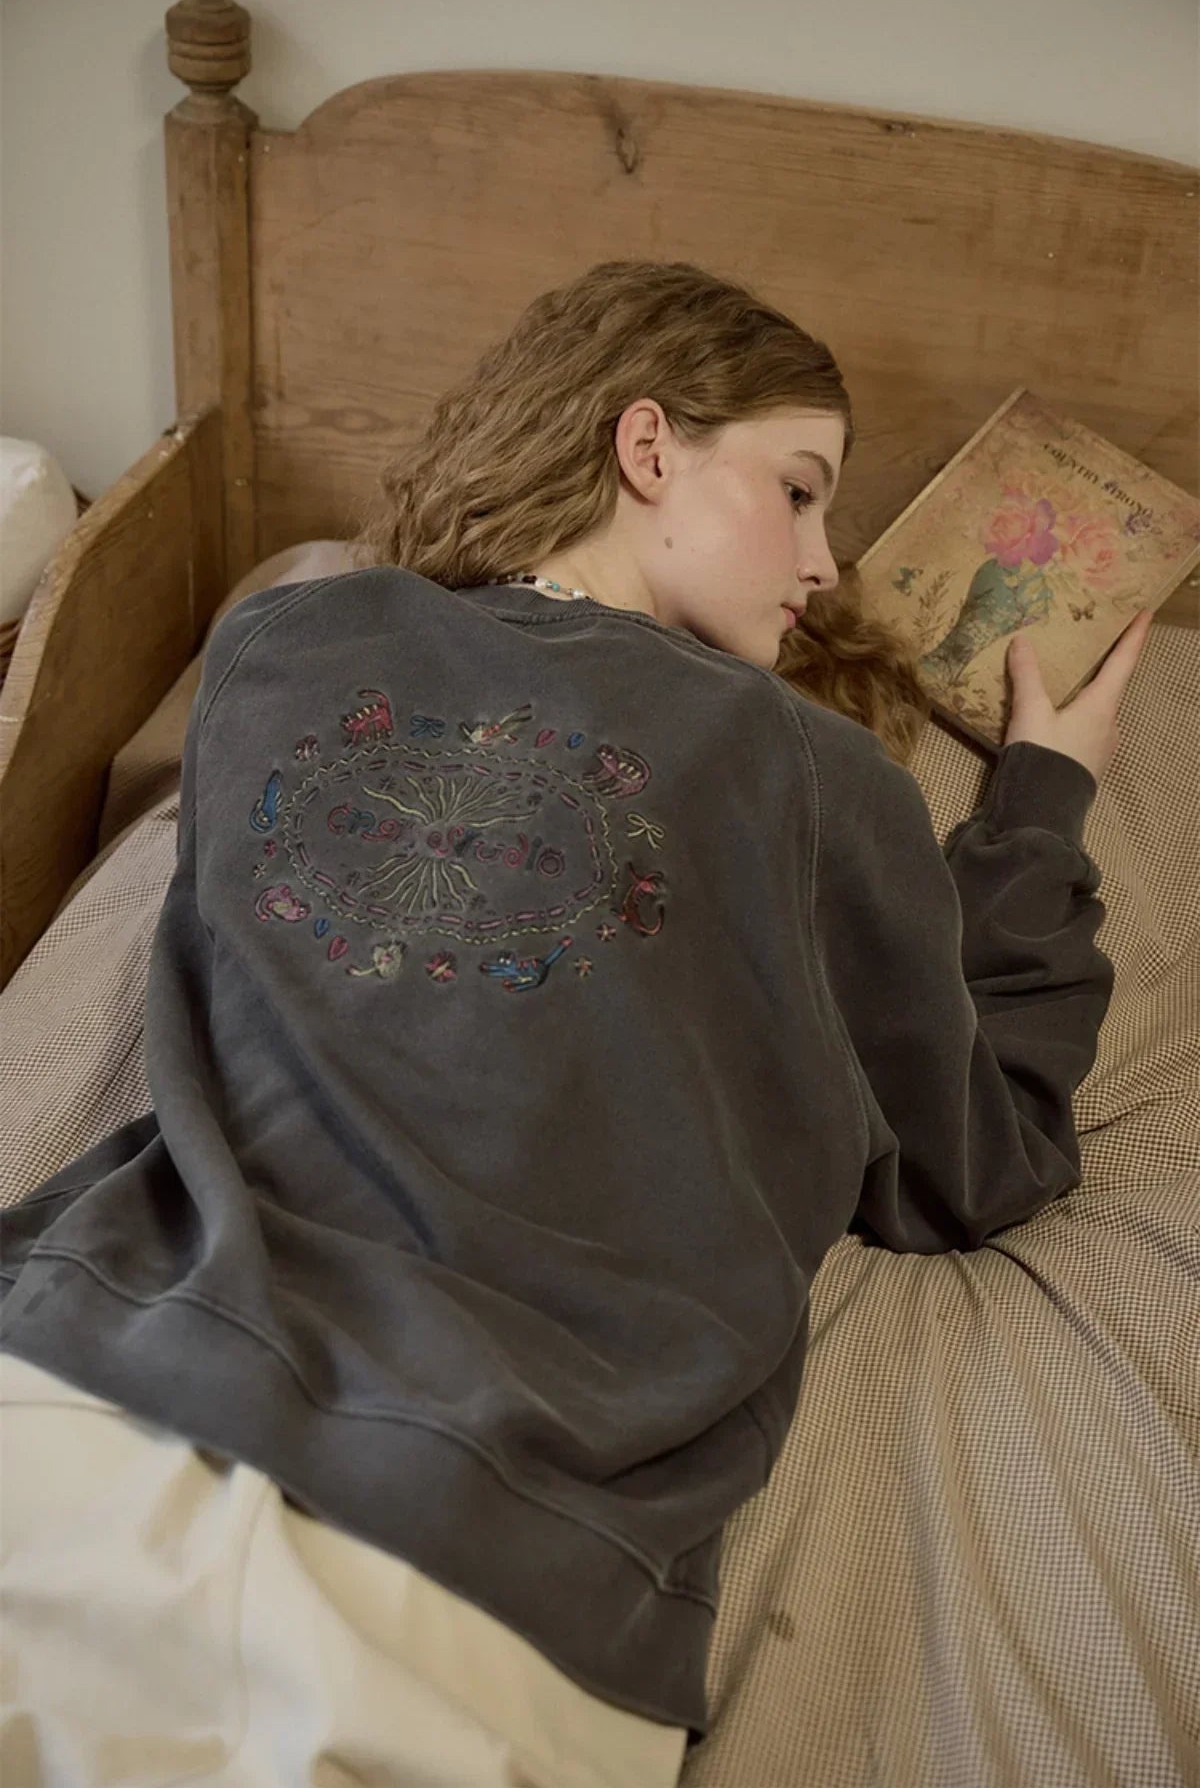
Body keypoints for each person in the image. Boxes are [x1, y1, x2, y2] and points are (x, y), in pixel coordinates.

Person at [0, 260, 1152, 1788]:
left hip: (89, 1386)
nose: (824, 564)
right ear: (651, 445)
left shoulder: (284, 644)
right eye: (801, 491)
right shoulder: (812, 774)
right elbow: (974, 1162)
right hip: (490, 1559)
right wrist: (1042, 801)